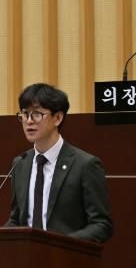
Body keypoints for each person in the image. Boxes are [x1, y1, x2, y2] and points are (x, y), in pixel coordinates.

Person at [6, 83, 113, 243]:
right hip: (26, 255)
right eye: (24, 114)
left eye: (36, 114)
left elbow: (102, 225)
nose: (29, 121)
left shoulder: (85, 165)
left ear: (58, 118)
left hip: (66, 255)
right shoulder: (20, 163)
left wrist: (62, 245)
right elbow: (16, 220)